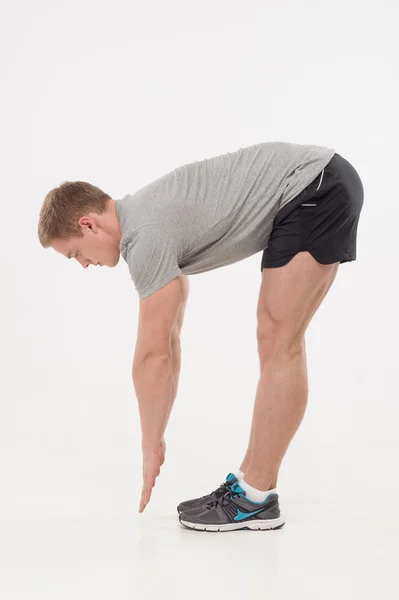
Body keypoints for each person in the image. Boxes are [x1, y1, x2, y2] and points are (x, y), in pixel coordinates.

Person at [37, 141, 364, 532]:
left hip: (314, 185)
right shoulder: (145, 224)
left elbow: (152, 356)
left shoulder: (145, 236)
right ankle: (252, 486)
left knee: (279, 337)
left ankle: (255, 496)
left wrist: (149, 447)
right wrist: (157, 438)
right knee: (278, 336)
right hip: (318, 182)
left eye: (75, 254)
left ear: (87, 224)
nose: (84, 265)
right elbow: (169, 342)